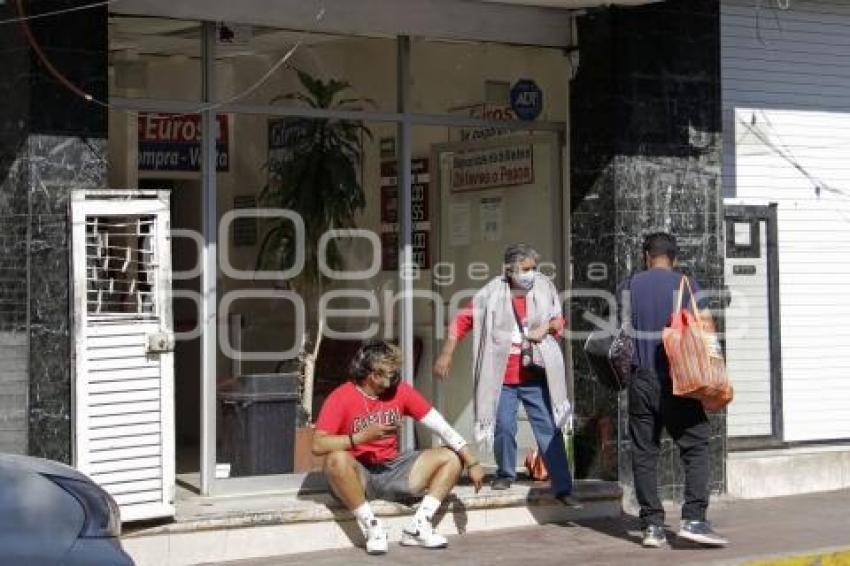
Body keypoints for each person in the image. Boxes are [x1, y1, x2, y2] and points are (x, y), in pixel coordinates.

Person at [433, 243, 579, 506]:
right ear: (509, 270)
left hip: (536, 373)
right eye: (525, 269)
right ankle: (505, 473)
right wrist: (447, 352)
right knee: (504, 427)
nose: (530, 274)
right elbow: (462, 319)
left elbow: (560, 321)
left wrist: (546, 327)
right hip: (502, 377)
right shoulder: (491, 292)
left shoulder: (545, 287)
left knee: (548, 429)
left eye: (534, 268)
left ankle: (563, 487)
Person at [312, 340, 485, 556]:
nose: (394, 377)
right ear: (372, 374)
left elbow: (440, 426)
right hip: (359, 475)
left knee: (451, 458)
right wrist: (360, 438)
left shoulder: (400, 391)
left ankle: (418, 526)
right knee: (335, 459)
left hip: (393, 469)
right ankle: (372, 526)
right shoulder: (341, 396)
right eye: (389, 373)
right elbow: (318, 445)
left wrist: (472, 461)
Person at [621, 232, 728, 548]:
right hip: (680, 380)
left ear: (646, 256)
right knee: (695, 447)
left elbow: (622, 332)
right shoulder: (687, 285)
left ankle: (652, 526)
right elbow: (706, 327)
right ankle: (694, 518)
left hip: (640, 379)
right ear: (675, 258)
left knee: (644, 452)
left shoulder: (628, 286)